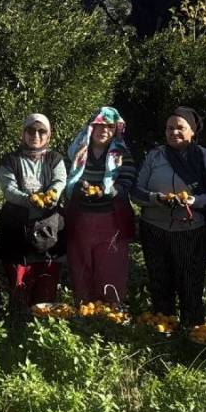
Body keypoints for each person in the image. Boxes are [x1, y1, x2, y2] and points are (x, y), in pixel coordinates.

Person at [132, 107, 206, 327]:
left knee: (190, 285)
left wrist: (195, 201)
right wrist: (157, 198)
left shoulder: (204, 156)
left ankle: (192, 335)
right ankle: (163, 333)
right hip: (154, 229)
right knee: (159, 284)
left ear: (192, 131)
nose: (174, 132)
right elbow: (136, 192)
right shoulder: (155, 156)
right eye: (169, 128)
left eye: (180, 128)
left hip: (191, 231)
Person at [64, 107, 138, 305]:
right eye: (99, 126)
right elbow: (65, 178)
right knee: (81, 266)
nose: (103, 130)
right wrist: (77, 187)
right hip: (81, 218)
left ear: (115, 129)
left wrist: (115, 190)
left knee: (111, 268)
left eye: (109, 127)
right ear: (91, 128)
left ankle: (111, 314)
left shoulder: (121, 153)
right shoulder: (78, 152)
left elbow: (128, 179)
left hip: (111, 219)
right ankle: (85, 311)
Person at [0, 113, 67, 312]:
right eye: (30, 130)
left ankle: (42, 324)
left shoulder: (55, 158)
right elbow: (9, 190)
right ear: (23, 133)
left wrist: (51, 195)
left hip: (49, 229)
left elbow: (59, 181)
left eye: (41, 131)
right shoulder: (10, 160)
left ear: (49, 135)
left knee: (47, 278)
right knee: (19, 281)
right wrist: (30, 199)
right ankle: (18, 323)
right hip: (17, 229)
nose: (36, 135)